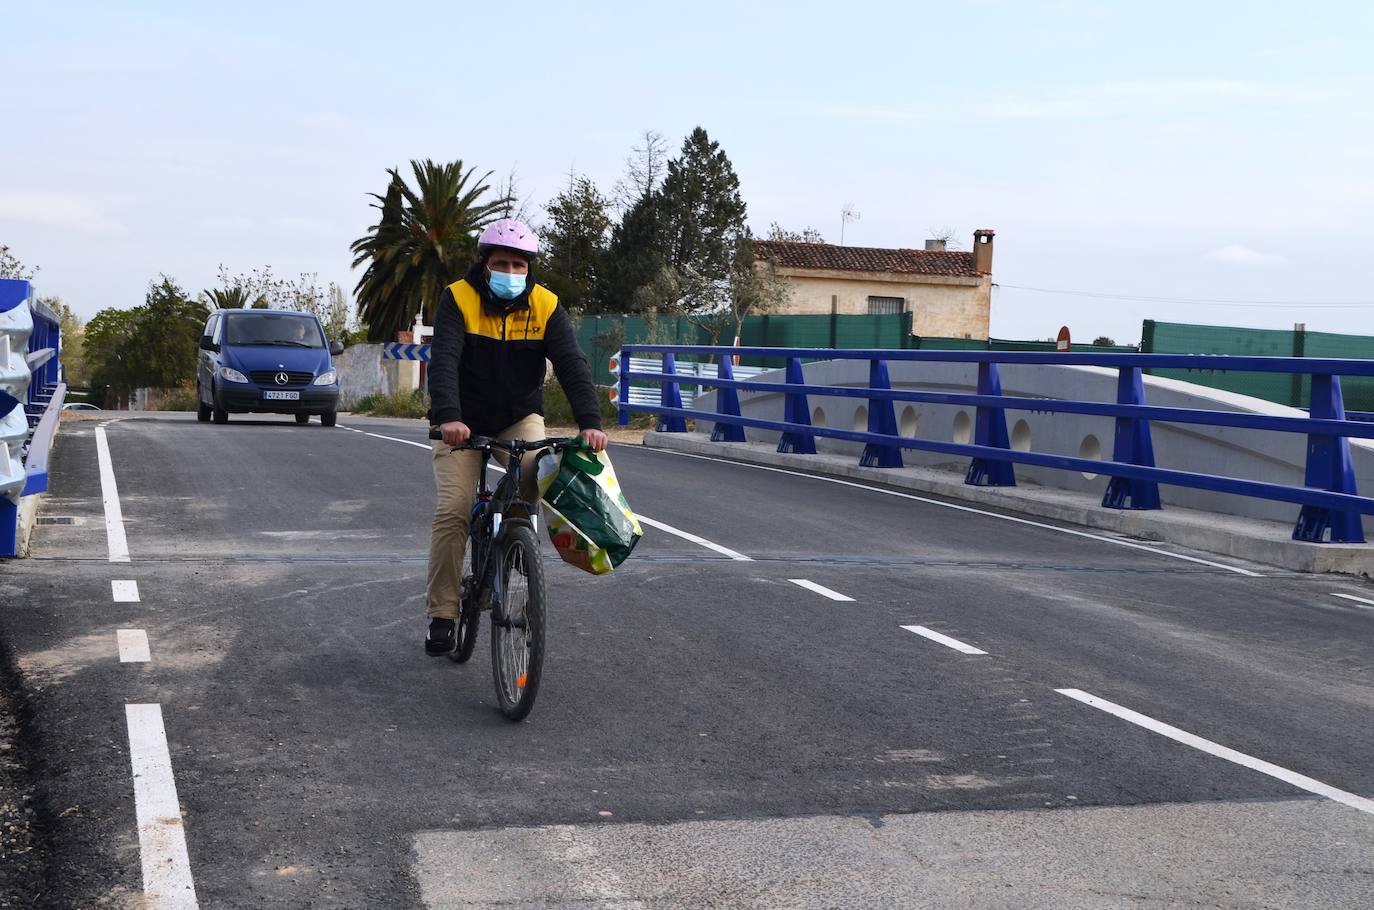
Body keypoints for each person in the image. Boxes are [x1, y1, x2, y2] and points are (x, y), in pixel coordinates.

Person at [424, 218, 609, 655]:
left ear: (529, 267)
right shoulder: (458, 298)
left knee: (534, 474)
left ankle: (510, 545)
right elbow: (445, 360)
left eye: (519, 264)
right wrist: (449, 416)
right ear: (484, 264)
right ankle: (443, 613)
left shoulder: (546, 305)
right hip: (462, 423)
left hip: (518, 416)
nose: (511, 272)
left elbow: (572, 364)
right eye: (502, 263)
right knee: (453, 510)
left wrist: (591, 422)